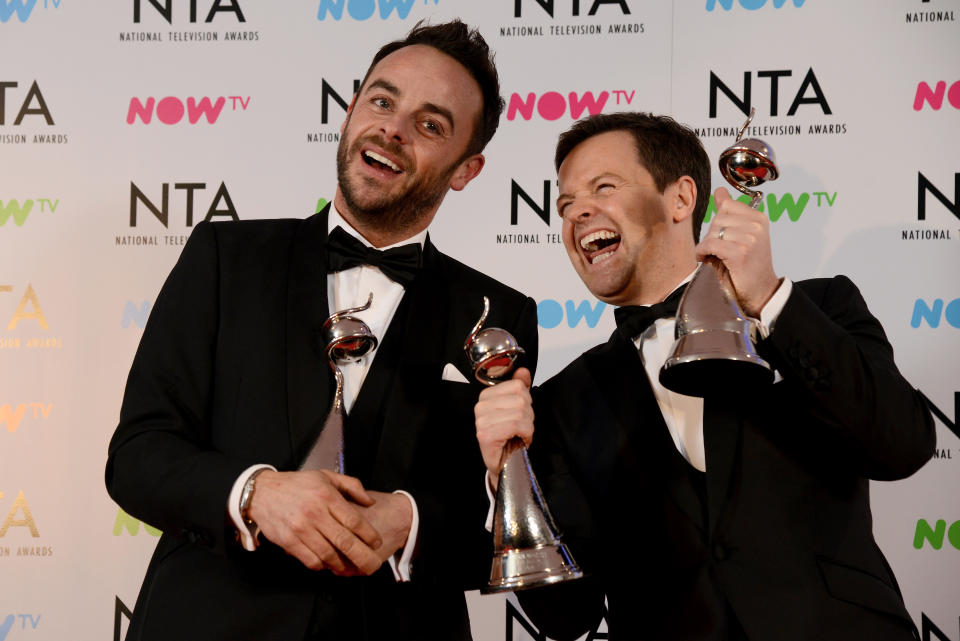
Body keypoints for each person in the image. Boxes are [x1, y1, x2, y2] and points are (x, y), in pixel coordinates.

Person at [106, 21, 538, 641]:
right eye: (382, 101)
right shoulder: (226, 255)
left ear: (467, 169)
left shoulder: (501, 314)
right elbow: (138, 455)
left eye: (430, 124)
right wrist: (253, 494)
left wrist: (410, 523)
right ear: (350, 110)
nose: (392, 127)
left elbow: (503, 518)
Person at [474, 112, 935, 641]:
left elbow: (904, 444)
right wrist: (505, 477)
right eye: (564, 204)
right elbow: (565, 617)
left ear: (681, 198)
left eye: (603, 187)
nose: (578, 211)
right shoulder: (560, 402)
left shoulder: (818, 308)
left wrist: (768, 299)